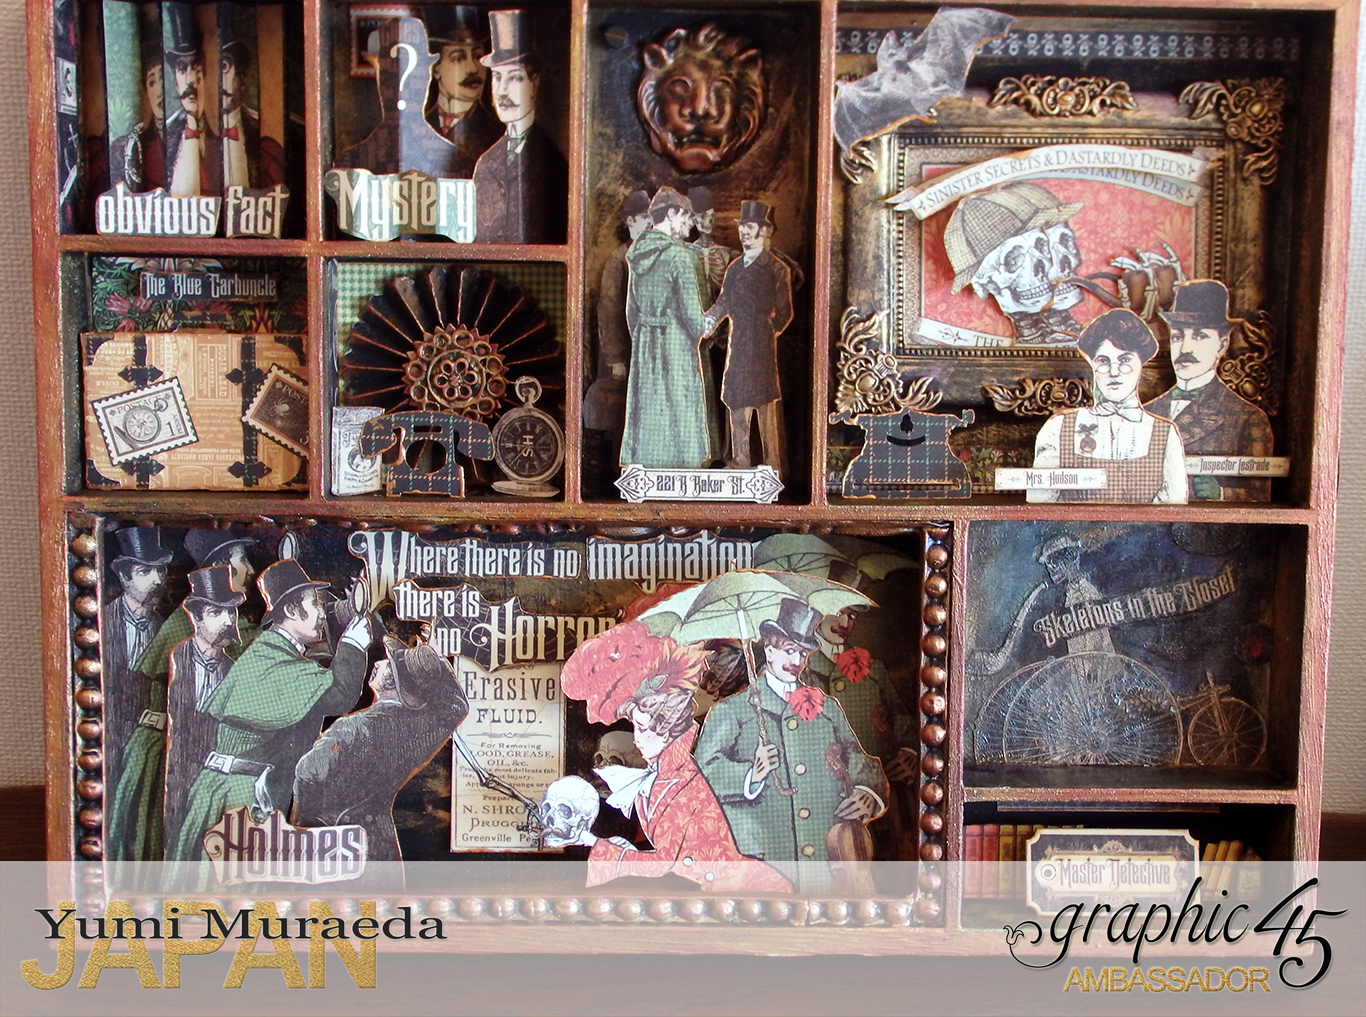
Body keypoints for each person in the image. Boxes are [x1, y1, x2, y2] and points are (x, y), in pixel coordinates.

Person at [559, 621, 792, 893]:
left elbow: (665, 862)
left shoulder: (686, 769)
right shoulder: (661, 767)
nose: (638, 737)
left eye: (643, 727)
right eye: (636, 725)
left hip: (740, 888)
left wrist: (595, 845)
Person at [170, 559, 372, 861]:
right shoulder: (272, 659)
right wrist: (354, 644)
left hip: (236, 793)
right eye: (315, 604)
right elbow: (339, 696)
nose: (321, 613)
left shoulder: (277, 654)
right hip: (238, 799)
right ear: (291, 610)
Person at [695, 599, 888, 893]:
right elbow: (703, 773)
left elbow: (859, 759)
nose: (796, 661)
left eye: (802, 652)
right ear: (769, 649)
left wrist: (867, 792)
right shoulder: (731, 711)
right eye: (789, 650)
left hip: (828, 863)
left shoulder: (826, 708)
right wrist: (751, 775)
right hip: (766, 865)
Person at [293, 637, 469, 861]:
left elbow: (307, 772)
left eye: (387, 662)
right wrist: (433, 661)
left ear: (395, 681)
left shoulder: (352, 727)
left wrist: (301, 826)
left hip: (336, 844)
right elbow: (457, 706)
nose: (377, 663)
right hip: (380, 844)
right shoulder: (418, 732)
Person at [1029, 308, 1188, 503]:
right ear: (1092, 365)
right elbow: (1040, 505)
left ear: (1141, 364)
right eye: (1103, 362)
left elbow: (1174, 507)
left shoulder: (1164, 433)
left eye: (1125, 360)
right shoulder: (1060, 427)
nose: (1113, 372)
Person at [1146, 279, 1274, 501]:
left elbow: (1261, 497)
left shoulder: (1247, 418)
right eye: (1178, 337)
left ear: (1222, 344)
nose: (1185, 349)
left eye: (1199, 336)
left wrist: (1222, 494)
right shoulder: (1146, 412)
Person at [620, 186, 720, 469]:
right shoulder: (679, 256)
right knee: (678, 407)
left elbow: (631, 311)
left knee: (649, 407)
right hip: (675, 344)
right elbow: (694, 320)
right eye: (686, 216)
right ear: (673, 214)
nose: (689, 223)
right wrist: (709, 323)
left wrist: (645, 336)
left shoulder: (636, 254)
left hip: (645, 342)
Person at [151, 566, 245, 854]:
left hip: (214, 783)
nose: (228, 620)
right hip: (177, 774)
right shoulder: (177, 659)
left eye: (231, 612)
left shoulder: (234, 671)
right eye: (216, 612)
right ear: (196, 618)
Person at [704, 200, 794, 472]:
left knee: (764, 403)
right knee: (736, 400)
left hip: (762, 344)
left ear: (764, 231)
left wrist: (766, 329)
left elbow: (785, 312)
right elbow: (724, 301)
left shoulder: (776, 269)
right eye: (742, 226)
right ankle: (741, 458)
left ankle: (772, 463)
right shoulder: (734, 268)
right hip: (738, 342)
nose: (743, 232)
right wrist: (710, 319)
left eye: (749, 227)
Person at [471, 9, 568, 242]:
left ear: (534, 83)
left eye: (514, 78)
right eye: (497, 77)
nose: (503, 91)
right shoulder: (486, 162)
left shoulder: (551, 161)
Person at [101, 526, 171, 814]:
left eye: (161, 571)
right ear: (124, 577)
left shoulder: (168, 631)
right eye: (145, 572)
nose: (157, 580)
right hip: (107, 746)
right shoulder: (101, 625)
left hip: (148, 753)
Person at [583, 189, 650, 443]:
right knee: (621, 413)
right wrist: (616, 359)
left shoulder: (651, 256)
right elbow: (609, 310)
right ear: (630, 221)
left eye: (651, 217)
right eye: (644, 218)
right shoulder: (619, 259)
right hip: (623, 348)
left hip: (645, 347)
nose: (650, 223)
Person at [423, 5, 501, 176]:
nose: (473, 68)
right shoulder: (418, 127)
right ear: (435, 68)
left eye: (478, 56)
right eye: (458, 58)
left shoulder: (498, 135)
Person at [162, 5, 221, 197]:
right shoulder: (164, 138)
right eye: (182, 69)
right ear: (175, 80)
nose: (190, 80)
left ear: (205, 76)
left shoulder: (221, 139)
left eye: (196, 69)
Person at [218, 38, 285, 188]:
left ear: (242, 81)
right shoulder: (186, 136)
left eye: (224, 67)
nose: (219, 81)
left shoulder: (266, 144)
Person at [109, 17, 165, 191]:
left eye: (163, 79)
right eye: (152, 82)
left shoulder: (191, 140)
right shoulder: (129, 147)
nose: (160, 91)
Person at [685, 186, 734, 301]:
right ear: (695, 219)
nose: (710, 220)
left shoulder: (726, 253)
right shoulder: (685, 252)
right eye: (705, 216)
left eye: (712, 216)